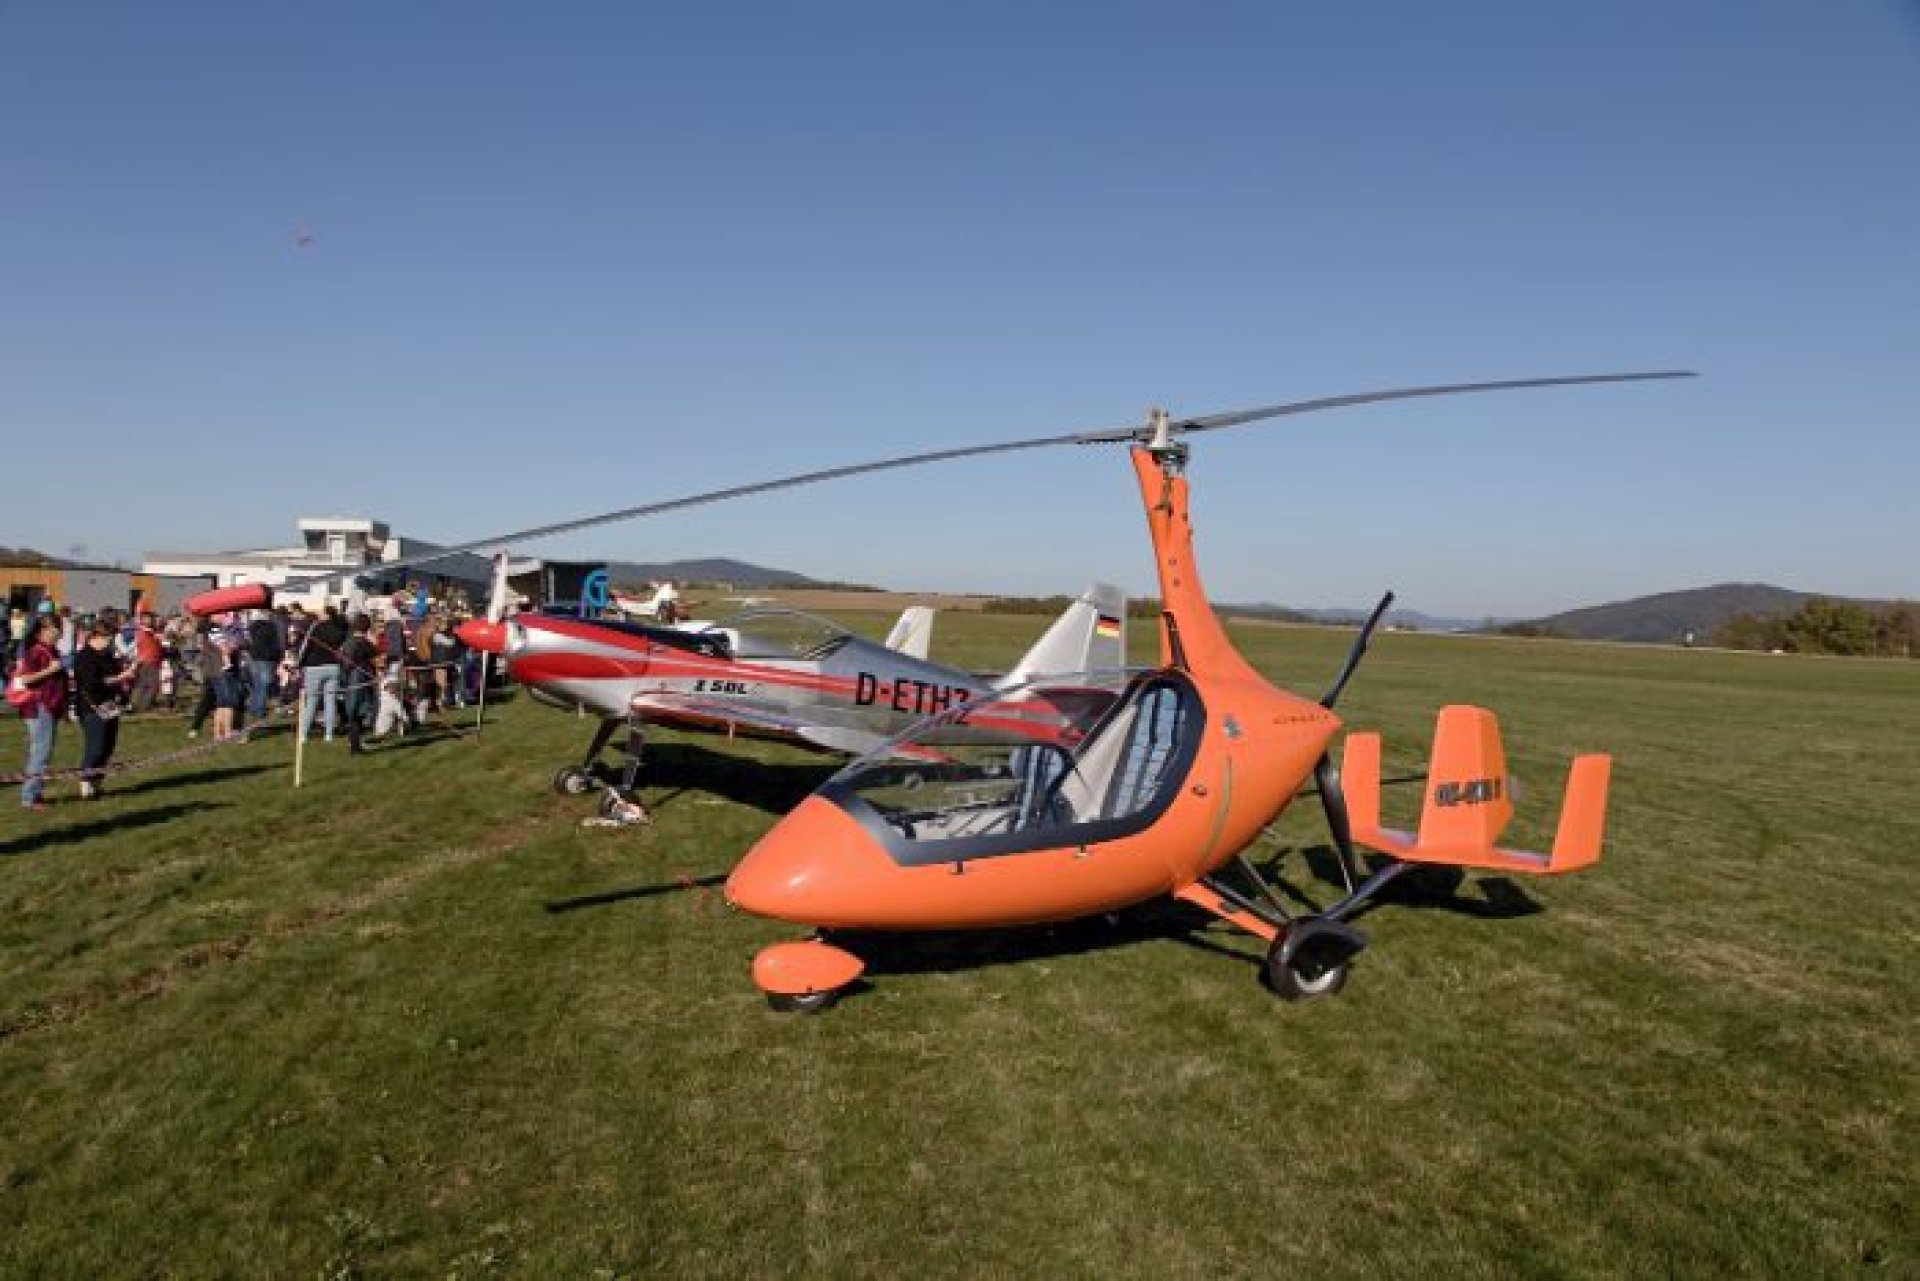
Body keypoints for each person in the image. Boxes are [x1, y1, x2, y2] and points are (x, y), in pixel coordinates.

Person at [73, 618, 137, 799]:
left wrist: (125, 677)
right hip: (91, 707)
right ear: (96, 636)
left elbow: (115, 676)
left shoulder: (107, 655)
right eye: (108, 638)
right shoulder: (84, 657)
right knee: (96, 747)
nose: (110, 642)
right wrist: (120, 677)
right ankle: (85, 784)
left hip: (110, 706)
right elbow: (92, 683)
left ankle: (96, 784)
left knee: (108, 747)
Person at [12, 616, 69, 809]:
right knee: (41, 752)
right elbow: (24, 680)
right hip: (39, 707)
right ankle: (30, 797)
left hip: (50, 706)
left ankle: (35, 793)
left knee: (43, 751)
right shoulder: (36, 652)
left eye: (58, 628)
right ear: (40, 632)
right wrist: (50, 670)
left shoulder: (52, 651)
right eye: (53, 629)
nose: (57, 633)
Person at [297, 605, 348, 742]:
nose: (318, 614)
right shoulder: (340, 630)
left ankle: (303, 733)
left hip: (315, 667)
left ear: (327, 615)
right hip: (333, 667)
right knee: (330, 701)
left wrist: (299, 664)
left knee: (311, 701)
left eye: (321, 612)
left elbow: (306, 646)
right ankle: (329, 734)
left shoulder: (316, 627)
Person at [338, 612, 378, 755]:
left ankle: (355, 743)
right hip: (358, 680)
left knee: (356, 713)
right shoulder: (361, 643)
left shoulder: (349, 642)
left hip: (354, 679)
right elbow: (375, 656)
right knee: (356, 712)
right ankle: (355, 745)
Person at [245, 608, 284, 721]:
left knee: (257, 684)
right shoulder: (270, 626)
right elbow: (275, 642)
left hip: (255, 657)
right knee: (264, 684)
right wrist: (278, 654)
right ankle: (259, 710)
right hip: (266, 657)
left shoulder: (252, 627)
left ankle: (254, 708)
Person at [129, 611, 164, 713]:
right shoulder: (144, 631)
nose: (152, 620)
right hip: (148, 660)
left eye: (151, 618)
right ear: (142, 620)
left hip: (149, 660)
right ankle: (144, 706)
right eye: (148, 618)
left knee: (145, 684)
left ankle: (139, 705)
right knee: (153, 685)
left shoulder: (148, 631)